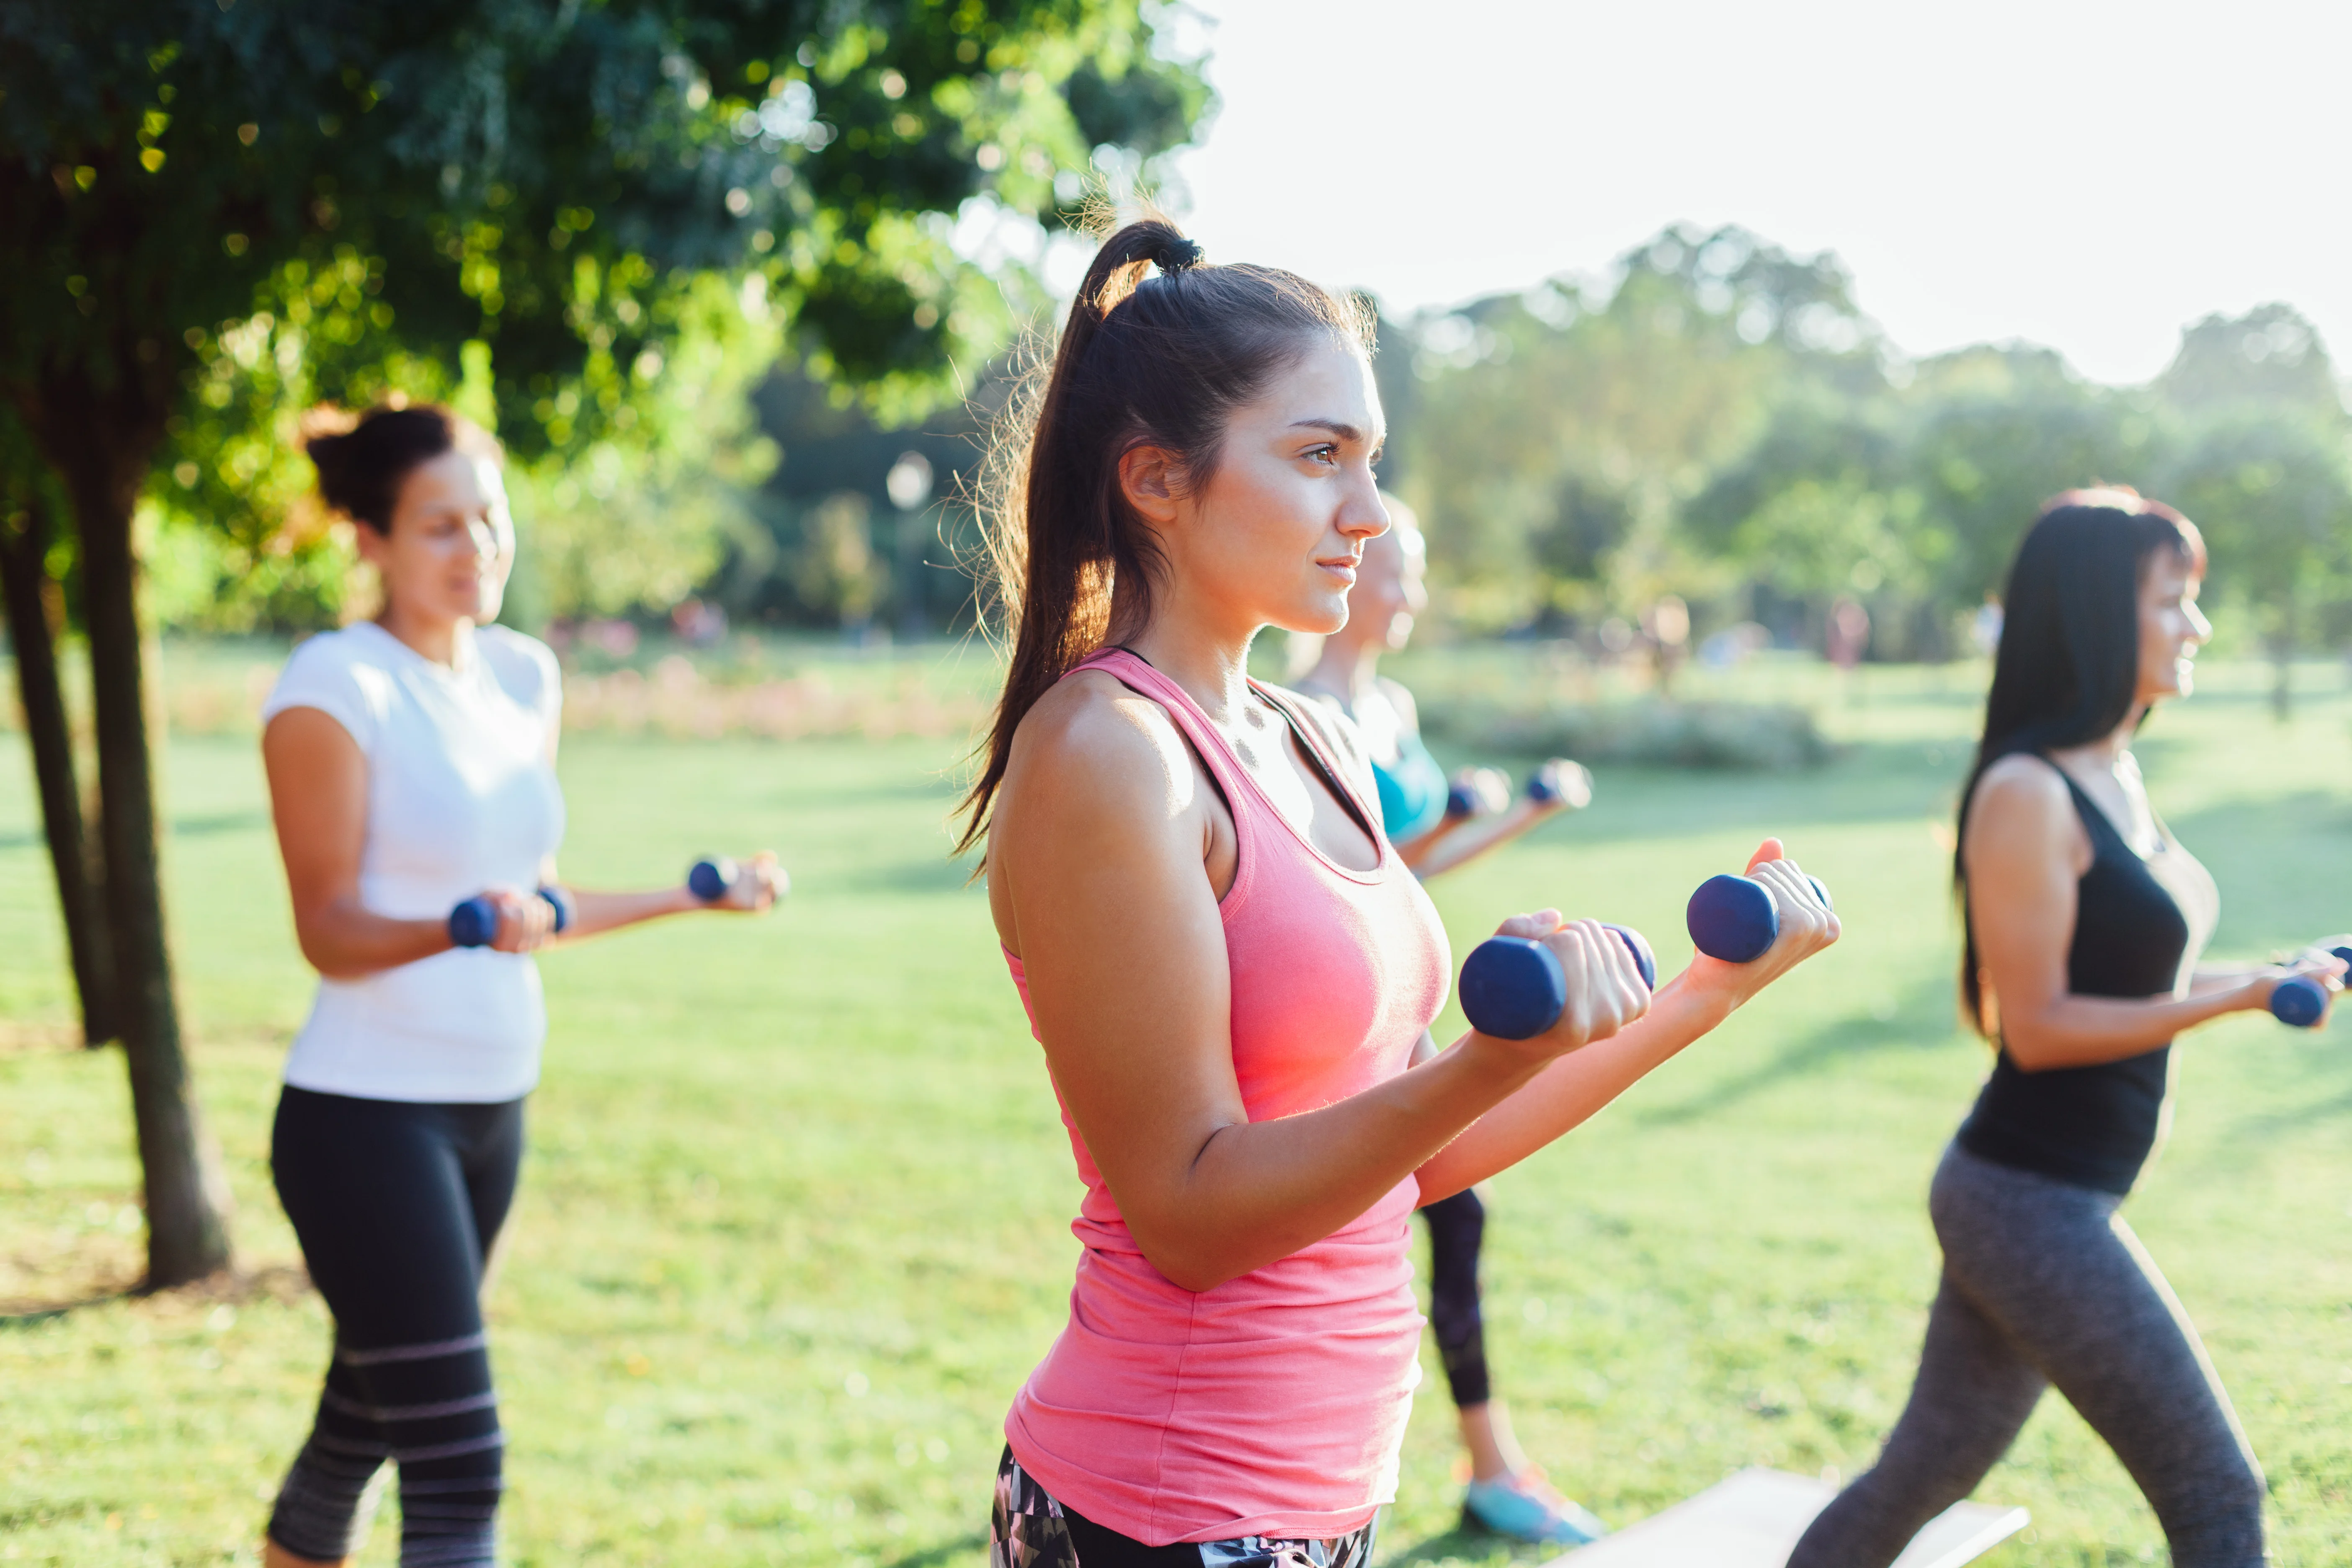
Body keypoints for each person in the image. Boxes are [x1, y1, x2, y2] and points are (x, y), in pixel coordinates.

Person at [960, 218, 1838, 1568]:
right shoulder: (1108, 756)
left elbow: (1411, 1154)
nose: (1367, 515)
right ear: (1156, 481)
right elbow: (1189, 1218)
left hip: (1320, 1501)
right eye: (1320, 458)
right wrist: (1494, 1057)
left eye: (1372, 462)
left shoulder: (1316, 739)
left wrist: (1705, 995)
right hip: (1166, 1512)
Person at [256, 403, 784, 1568]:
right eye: (438, 526)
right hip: (364, 1124)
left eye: (488, 517)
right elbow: (330, 931)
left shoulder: (521, 677)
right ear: (373, 543)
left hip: (494, 1107)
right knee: (459, 1466)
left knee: (363, 1428)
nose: (475, 546)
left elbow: (535, 903)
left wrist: (695, 894)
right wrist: (461, 923)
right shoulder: (334, 685)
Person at [1786, 490, 2342, 1568]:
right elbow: (2036, 1029)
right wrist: (2234, 1001)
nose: (2199, 627)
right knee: (2216, 1489)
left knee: (1925, 1472)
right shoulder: (2026, 794)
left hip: (2052, 1194)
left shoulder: (2115, 768)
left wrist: (2273, 973)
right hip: (2026, 1201)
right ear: (2096, 616)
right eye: (2174, 601)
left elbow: (2143, 973)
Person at [1291, 509, 1604, 1546]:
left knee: (1450, 1213)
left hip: (1409, 988)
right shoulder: (1306, 710)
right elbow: (1352, 870)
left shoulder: (1395, 702)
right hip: (1350, 1002)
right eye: (1405, 573)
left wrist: (1520, 818)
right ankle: (1482, 1466)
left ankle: (1488, 1465)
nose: (1414, 596)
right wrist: (1451, 825)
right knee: (1420, 1218)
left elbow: (1420, 861)